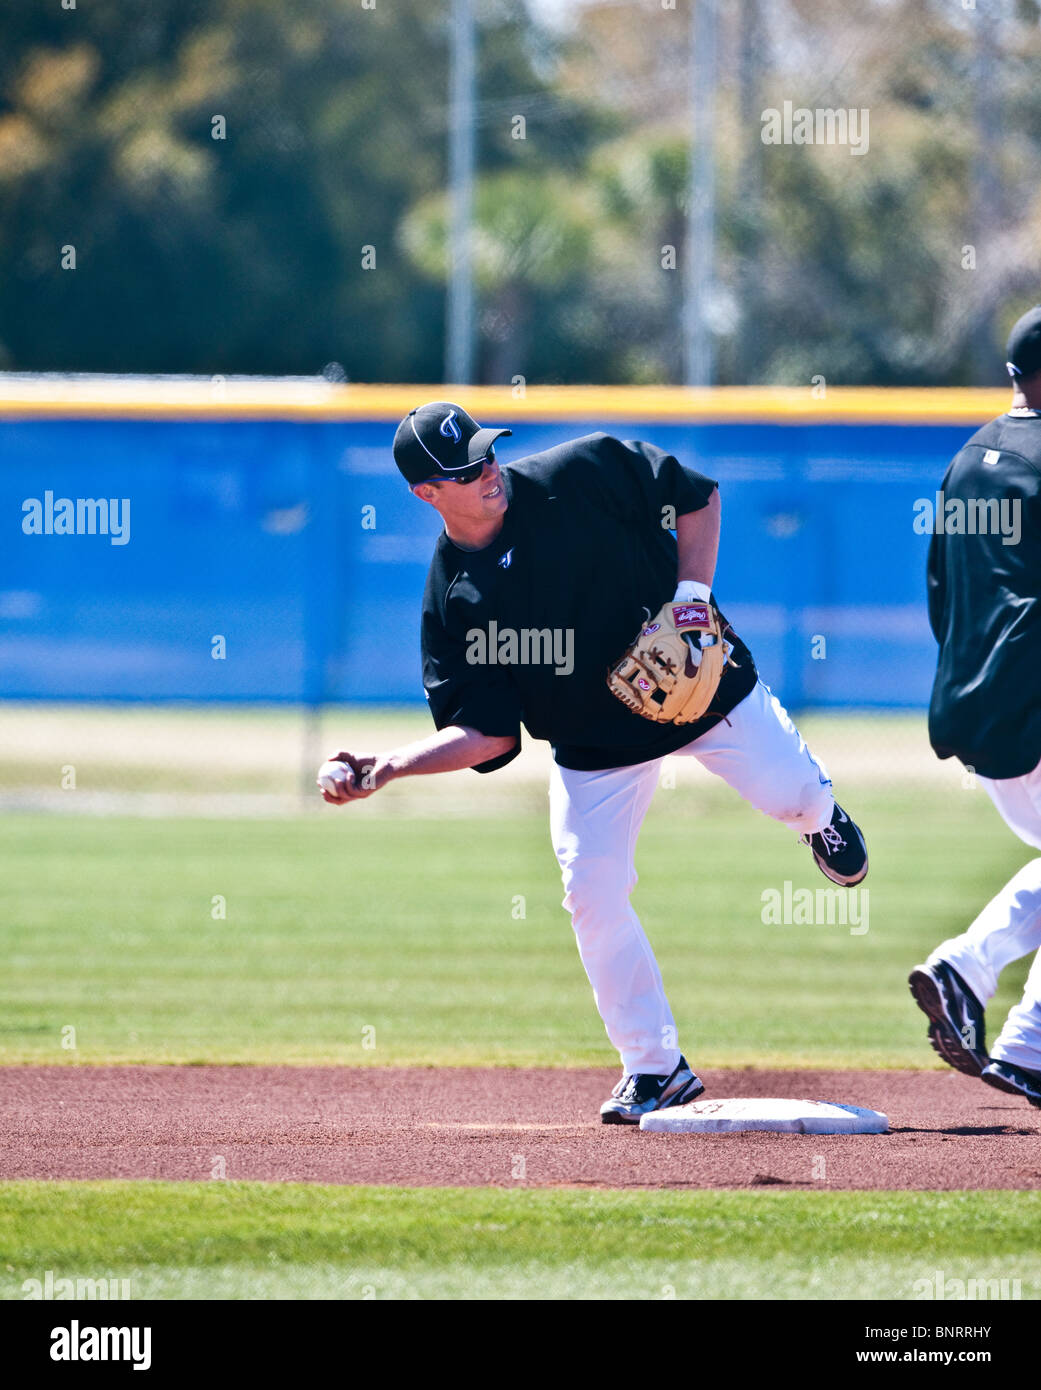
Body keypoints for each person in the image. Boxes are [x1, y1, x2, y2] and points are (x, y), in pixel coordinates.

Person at [319, 401, 868, 1124]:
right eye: (464, 469)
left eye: (486, 453)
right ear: (427, 494)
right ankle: (653, 1066)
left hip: (705, 692)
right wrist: (387, 767)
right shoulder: (456, 598)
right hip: (592, 746)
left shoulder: (583, 470)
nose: (486, 471)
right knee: (590, 891)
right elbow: (486, 734)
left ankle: (819, 817)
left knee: (793, 795)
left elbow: (698, 497)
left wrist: (693, 599)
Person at [909, 305, 1041, 1110]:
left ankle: (1016, 1034)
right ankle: (979, 983)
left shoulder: (968, 458)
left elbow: (939, 592)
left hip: (971, 700)